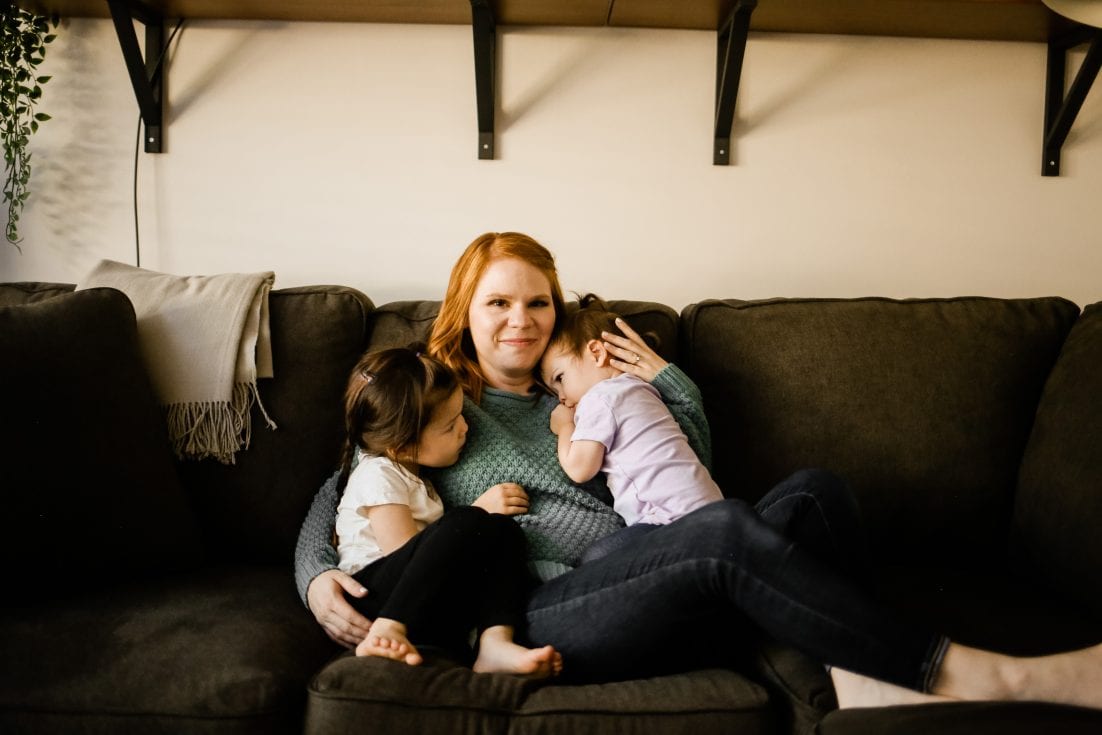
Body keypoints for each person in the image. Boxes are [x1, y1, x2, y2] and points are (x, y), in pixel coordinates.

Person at [296, 231, 1102, 709]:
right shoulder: (439, 402)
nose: (520, 320)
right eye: (498, 303)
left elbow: (688, 478)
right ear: (462, 312)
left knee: (816, 491)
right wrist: (316, 576)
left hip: (655, 563)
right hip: (548, 607)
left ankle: (854, 666)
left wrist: (663, 383)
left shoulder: (590, 374)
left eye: (537, 301)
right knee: (720, 537)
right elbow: (344, 487)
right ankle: (968, 672)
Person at [331, 344, 561, 677]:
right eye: (450, 425)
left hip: (423, 601)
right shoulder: (377, 474)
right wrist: (476, 512)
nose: (465, 428)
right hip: (373, 596)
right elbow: (406, 553)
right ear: (403, 445)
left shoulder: (417, 477)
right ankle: (388, 630)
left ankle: (494, 643)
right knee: (471, 520)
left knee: (504, 530)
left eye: (461, 416)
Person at [541, 293, 722, 561]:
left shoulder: (599, 398)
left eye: (560, 378)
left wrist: (565, 427)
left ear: (596, 352)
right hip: (712, 508)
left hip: (667, 519)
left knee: (595, 559)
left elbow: (579, 469)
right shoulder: (646, 390)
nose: (562, 397)